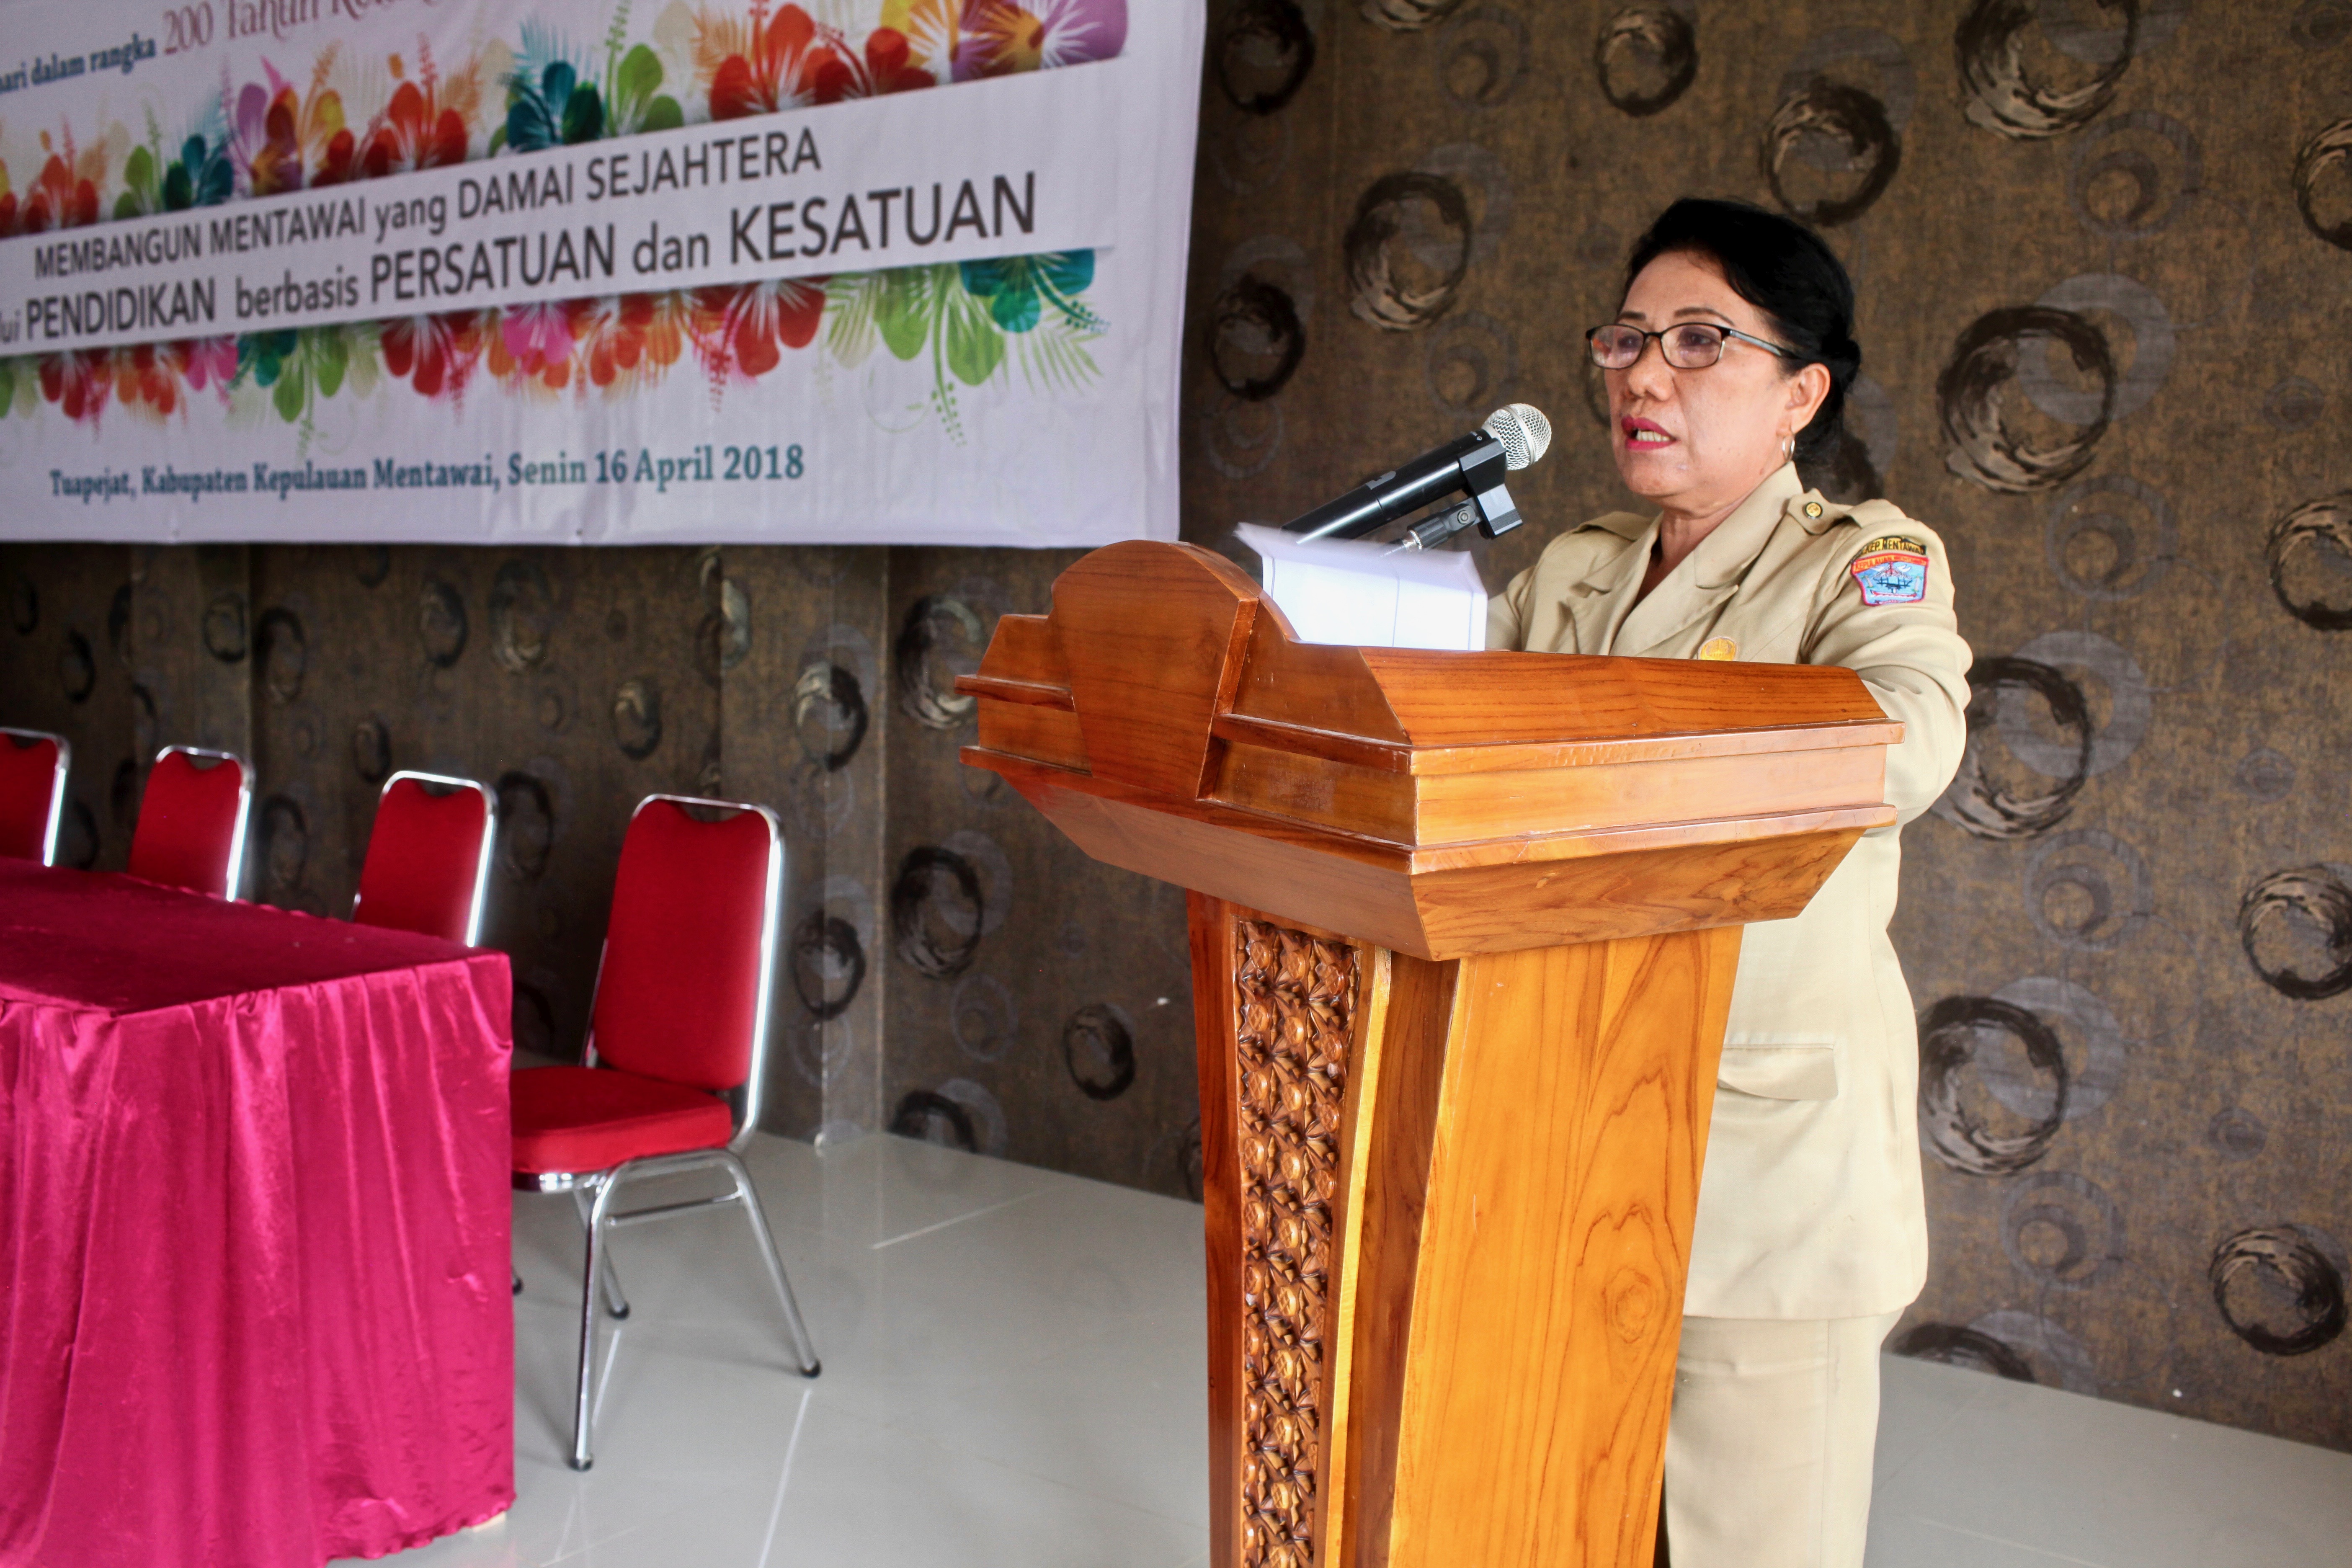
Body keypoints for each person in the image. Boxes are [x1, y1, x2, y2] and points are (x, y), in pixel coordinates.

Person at [1487, 197, 1972, 1568]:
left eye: (1701, 340)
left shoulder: (1861, 561)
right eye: (1629, 339)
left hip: (1758, 1166)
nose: (1646, 373)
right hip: (1550, 1126)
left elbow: (1907, 742)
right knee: (1559, 1517)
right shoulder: (1573, 572)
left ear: (1799, 393)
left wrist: (1610, 763)